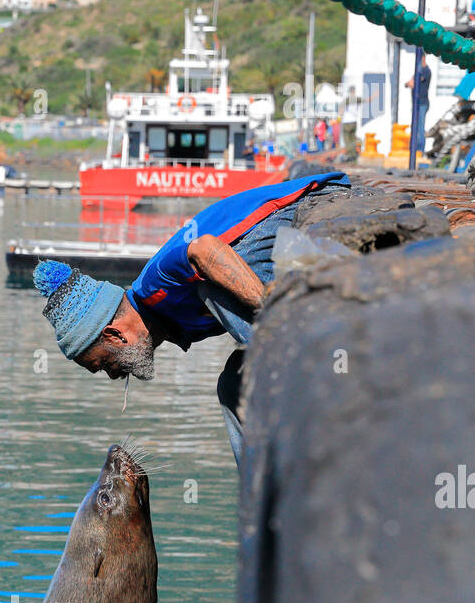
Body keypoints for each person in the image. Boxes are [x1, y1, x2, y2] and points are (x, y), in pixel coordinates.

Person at [33, 172, 350, 466]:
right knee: (232, 384)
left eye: (102, 365)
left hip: (315, 207)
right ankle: (265, 497)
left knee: (210, 289)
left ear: (115, 335)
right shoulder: (170, 320)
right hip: (293, 252)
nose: (112, 375)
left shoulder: (153, 287)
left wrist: (271, 313)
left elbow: (204, 249)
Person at [406, 57, 432, 154]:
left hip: (422, 103)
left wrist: (412, 82)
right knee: (414, 126)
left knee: (420, 127)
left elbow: (414, 82)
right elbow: (408, 83)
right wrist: (411, 82)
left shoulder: (426, 71)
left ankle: (420, 151)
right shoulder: (418, 71)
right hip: (416, 103)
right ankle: (414, 149)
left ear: (423, 58)